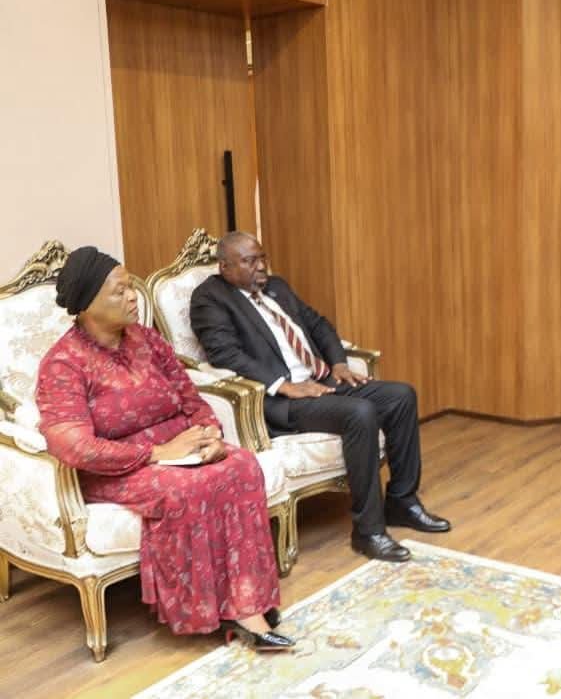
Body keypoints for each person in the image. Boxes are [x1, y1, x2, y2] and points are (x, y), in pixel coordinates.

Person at [35, 247, 294, 651]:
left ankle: (245, 602)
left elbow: (190, 396)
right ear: (87, 305)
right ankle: (215, 610)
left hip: (180, 449)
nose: (132, 297)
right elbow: (75, 447)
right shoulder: (63, 364)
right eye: (119, 291)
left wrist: (209, 434)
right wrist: (159, 454)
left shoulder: (147, 339)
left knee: (242, 464)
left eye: (131, 287)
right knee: (187, 488)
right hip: (118, 469)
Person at [189, 232, 450, 563]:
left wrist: (339, 363)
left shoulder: (277, 287)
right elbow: (225, 354)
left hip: (322, 381)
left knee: (401, 396)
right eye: (250, 261)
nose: (261, 266)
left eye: (262, 257)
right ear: (225, 267)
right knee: (360, 413)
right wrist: (283, 385)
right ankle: (369, 531)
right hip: (285, 401)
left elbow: (319, 324)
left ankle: (402, 501)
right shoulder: (210, 298)